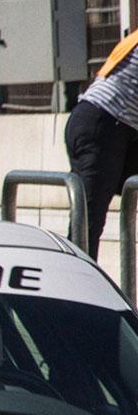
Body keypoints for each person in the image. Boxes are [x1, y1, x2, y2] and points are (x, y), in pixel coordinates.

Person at [66, 28, 138, 258]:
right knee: (87, 224)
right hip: (103, 125)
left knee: (86, 219)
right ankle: (75, 286)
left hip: (106, 124)